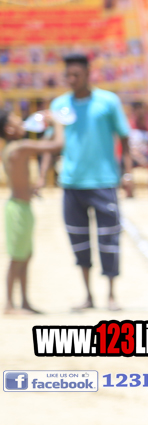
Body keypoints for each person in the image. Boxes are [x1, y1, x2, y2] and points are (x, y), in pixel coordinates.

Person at [47, 52, 130, 311]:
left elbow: (124, 137)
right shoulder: (60, 105)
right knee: (79, 241)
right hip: (71, 184)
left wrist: (127, 174)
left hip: (104, 182)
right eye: (68, 75)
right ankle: (88, 295)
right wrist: (40, 176)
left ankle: (112, 295)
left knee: (109, 240)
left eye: (77, 74)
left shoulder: (108, 102)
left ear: (88, 74)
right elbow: (52, 144)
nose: (72, 79)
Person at [2, 108, 64, 314]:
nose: (22, 122)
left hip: (22, 206)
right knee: (17, 257)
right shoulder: (20, 147)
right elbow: (57, 145)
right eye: (16, 120)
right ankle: (9, 304)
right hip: (18, 209)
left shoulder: (15, 148)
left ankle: (24, 302)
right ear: (9, 129)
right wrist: (57, 124)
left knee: (25, 255)